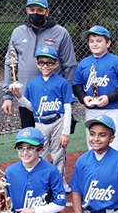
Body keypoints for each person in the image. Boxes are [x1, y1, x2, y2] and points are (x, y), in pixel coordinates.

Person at [2, 0, 77, 128]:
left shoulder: (60, 33)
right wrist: (7, 96)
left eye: (40, 10)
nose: (35, 13)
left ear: (47, 11)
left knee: (55, 141)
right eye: (32, 10)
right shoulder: (18, 33)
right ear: (27, 10)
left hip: (52, 99)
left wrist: (68, 96)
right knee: (31, 141)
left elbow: (70, 66)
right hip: (25, 97)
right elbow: (10, 64)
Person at [9, 46, 76, 192]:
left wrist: (65, 131)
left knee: (59, 154)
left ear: (56, 64)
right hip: (40, 122)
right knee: (40, 154)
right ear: (37, 64)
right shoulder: (33, 83)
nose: (45, 65)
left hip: (58, 120)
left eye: (49, 62)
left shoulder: (62, 82)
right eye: (42, 62)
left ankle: (59, 182)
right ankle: (43, 182)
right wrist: (18, 96)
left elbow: (67, 108)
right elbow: (32, 107)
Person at [72, 26, 118, 153]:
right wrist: (83, 98)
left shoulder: (116, 62)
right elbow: (76, 85)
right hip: (92, 110)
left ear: (108, 43)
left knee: (114, 145)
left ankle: (116, 172)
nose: (95, 44)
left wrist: (109, 98)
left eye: (99, 40)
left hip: (113, 109)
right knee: (93, 146)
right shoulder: (83, 63)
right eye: (91, 41)